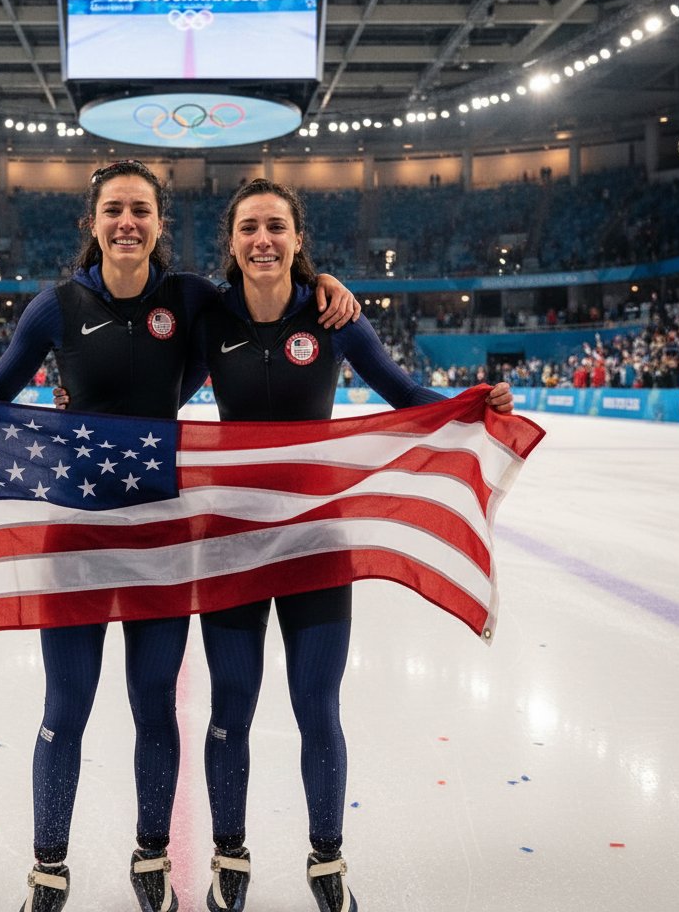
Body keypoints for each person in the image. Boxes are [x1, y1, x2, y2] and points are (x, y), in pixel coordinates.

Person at [0, 160, 360, 912]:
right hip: (73, 539)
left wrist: (325, 282)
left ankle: (152, 852)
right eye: (114, 210)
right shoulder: (55, 308)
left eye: (141, 209)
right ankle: (48, 869)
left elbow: (265, 301)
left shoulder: (193, 302)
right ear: (94, 221)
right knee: (64, 710)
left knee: (153, 708)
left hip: (159, 546)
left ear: (161, 222)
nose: (128, 222)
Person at [190, 178, 514, 912]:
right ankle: (229, 856)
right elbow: (149, 396)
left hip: (315, 542)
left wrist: (474, 405)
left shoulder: (332, 315)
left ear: (299, 239)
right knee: (230, 708)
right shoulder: (208, 314)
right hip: (232, 542)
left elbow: (404, 395)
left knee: (316, 708)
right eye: (249, 228)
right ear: (232, 241)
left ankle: (327, 859)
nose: (263, 240)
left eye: (277, 226)